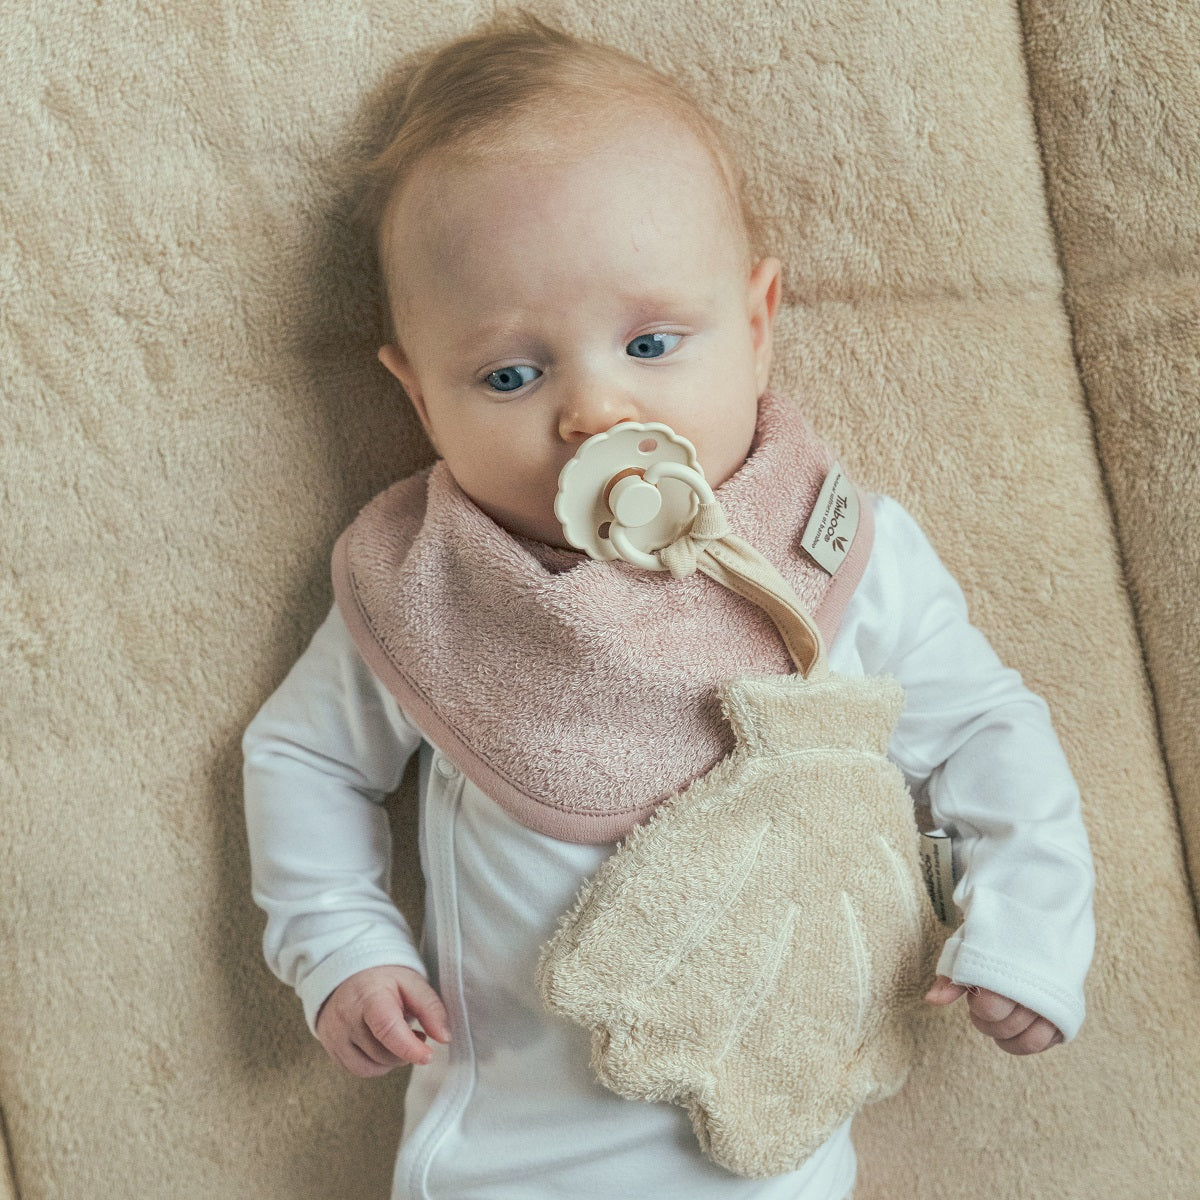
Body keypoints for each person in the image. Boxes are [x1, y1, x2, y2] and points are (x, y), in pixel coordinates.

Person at [243, 12, 1095, 1199]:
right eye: (508, 373)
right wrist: (338, 944)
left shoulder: (835, 552)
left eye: (650, 341)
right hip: (501, 1160)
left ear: (755, 325)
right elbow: (302, 758)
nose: (593, 410)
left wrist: (1031, 929)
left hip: (775, 1158)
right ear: (419, 398)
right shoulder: (434, 590)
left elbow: (987, 732)